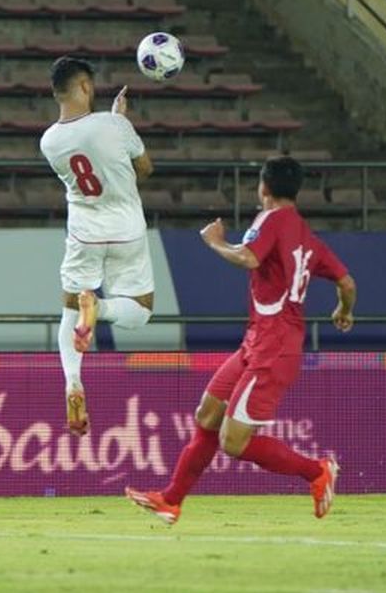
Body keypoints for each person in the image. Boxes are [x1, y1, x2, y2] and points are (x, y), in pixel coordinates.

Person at [126, 156, 356, 522]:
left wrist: (216, 242)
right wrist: (344, 311)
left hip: (273, 347)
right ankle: (171, 500)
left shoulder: (270, 219)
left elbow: (248, 258)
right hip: (260, 342)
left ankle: (317, 471)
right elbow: (347, 283)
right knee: (207, 415)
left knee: (233, 442)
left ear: (263, 187)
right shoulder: (309, 239)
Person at [40, 56, 155, 437]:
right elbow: (144, 169)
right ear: (86, 86)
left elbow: (88, 148)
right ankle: (100, 308)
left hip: (84, 233)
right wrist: (121, 120)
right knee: (140, 312)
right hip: (126, 230)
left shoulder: (49, 141)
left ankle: (73, 381)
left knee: (69, 310)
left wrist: (113, 122)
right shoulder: (114, 125)